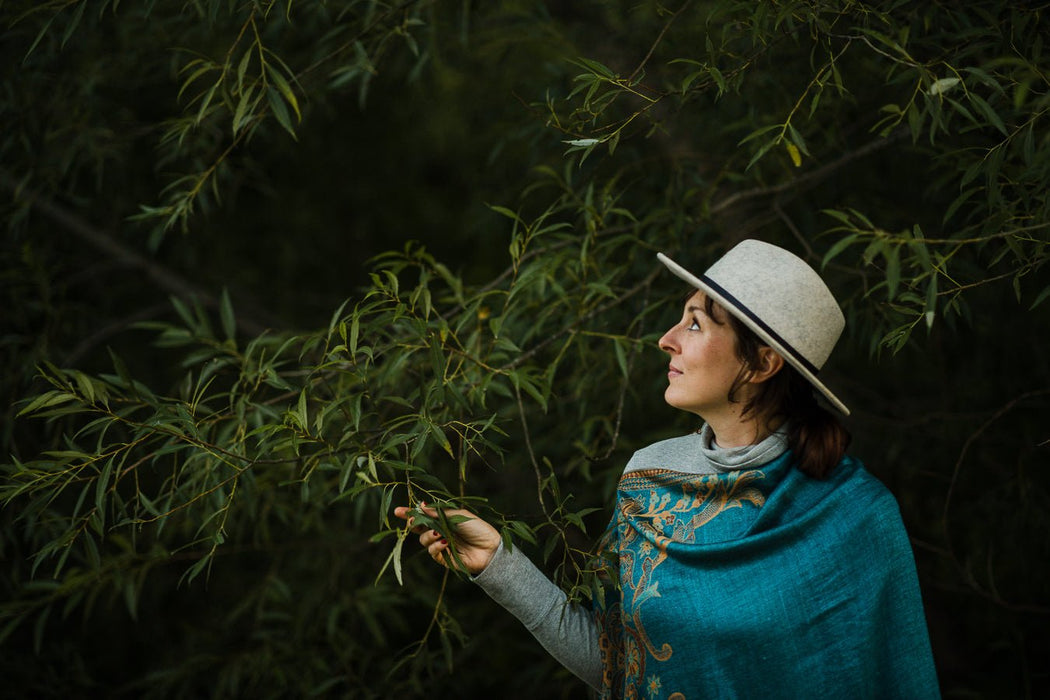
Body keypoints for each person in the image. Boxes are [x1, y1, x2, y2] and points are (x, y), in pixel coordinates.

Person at [394, 239, 940, 698]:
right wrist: (500, 563)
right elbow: (619, 663)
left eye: (696, 325)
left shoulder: (857, 517)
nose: (667, 339)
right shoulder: (648, 480)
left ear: (761, 362)